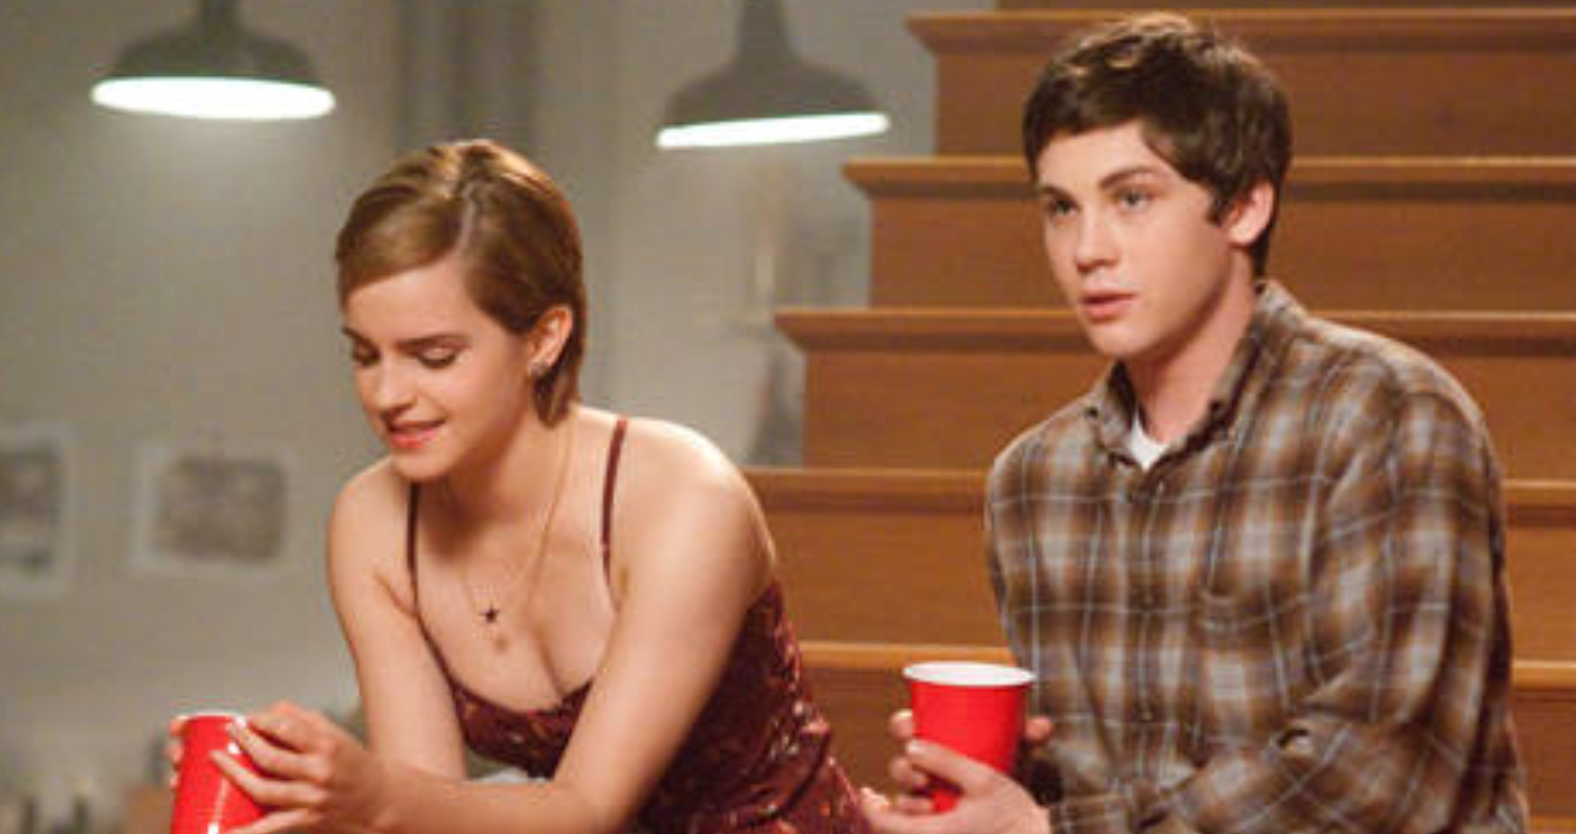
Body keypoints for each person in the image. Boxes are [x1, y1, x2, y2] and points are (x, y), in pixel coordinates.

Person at [861, 12, 1526, 834]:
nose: (1088, 249)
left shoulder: (1386, 416)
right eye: (1061, 208)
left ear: (1244, 206)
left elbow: (1386, 777)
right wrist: (995, 788)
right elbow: (1106, 786)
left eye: (1132, 198)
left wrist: (1046, 831)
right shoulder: (1035, 482)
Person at [169, 139, 871, 834]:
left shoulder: (683, 500)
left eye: (433, 356)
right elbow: (430, 811)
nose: (387, 394)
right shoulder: (373, 524)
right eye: (364, 354)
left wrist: (369, 796)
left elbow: (585, 810)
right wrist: (300, 796)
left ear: (543, 339)